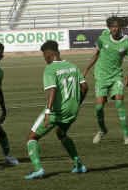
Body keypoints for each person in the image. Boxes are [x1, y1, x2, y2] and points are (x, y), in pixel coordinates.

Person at [23, 40, 89, 179]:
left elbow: (52, 89)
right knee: (61, 134)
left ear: (47, 55)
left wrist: (48, 111)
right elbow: (85, 87)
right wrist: (77, 103)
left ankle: (38, 169)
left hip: (56, 112)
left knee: (31, 138)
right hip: (72, 111)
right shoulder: (73, 66)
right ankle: (79, 165)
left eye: (44, 56)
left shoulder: (50, 68)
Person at [82, 14, 128, 144]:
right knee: (99, 108)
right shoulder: (103, 39)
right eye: (112, 27)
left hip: (116, 76)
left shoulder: (127, 44)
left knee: (119, 102)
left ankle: (126, 136)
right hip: (101, 76)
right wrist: (86, 69)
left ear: (121, 28)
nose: (114, 29)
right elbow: (96, 55)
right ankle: (102, 130)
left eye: (116, 26)